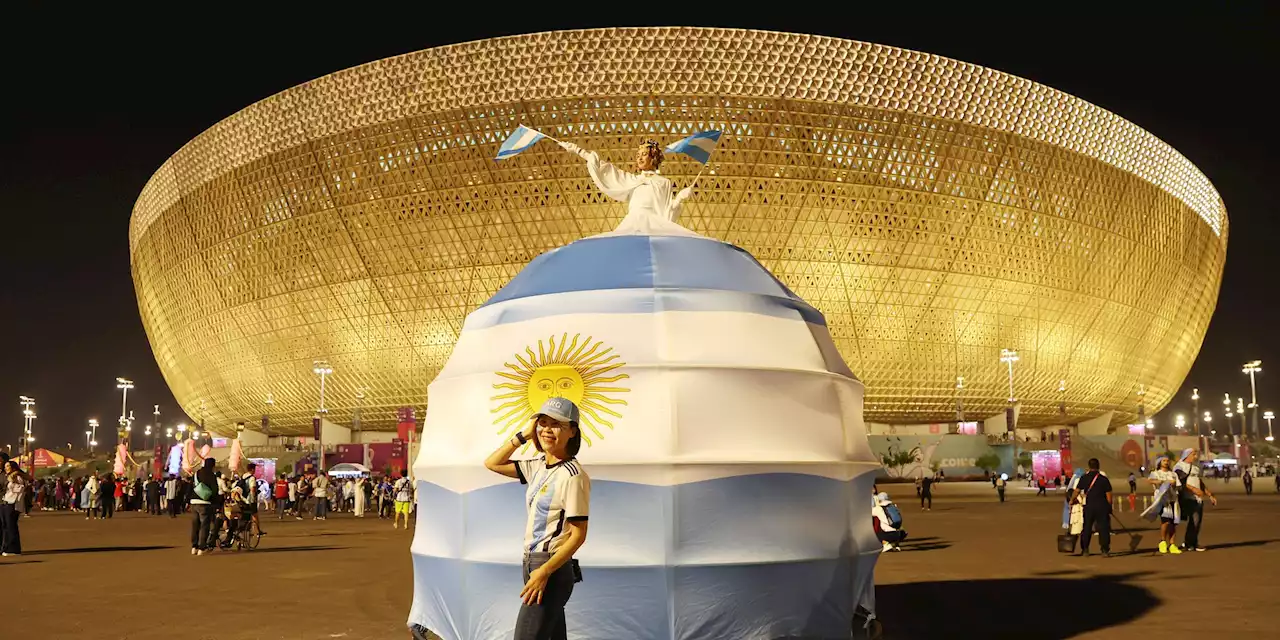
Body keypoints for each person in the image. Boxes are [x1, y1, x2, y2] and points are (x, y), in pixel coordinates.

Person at [483, 397, 590, 640]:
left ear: (572, 431)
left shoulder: (573, 475)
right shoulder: (538, 466)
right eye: (543, 422)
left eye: (557, 424)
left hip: (550, 566)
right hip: (532, 563)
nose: (547, 430)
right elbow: (492, 463)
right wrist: (523, 435)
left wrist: (544, 572)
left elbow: (578, 535)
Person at [557, 140, 696, 235]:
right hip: (632, 224)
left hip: (653, 226)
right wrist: (578, 150)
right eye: (638, 156)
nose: (640, 159)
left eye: (644, 155)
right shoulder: (632, 180)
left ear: (653, 157)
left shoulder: (664, 183)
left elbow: (666, 217)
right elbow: (606, 170)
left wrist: (679, 199)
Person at [1174, 449, 1215, 552]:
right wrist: (1193, 489)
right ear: (1187, 455)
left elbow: (1199, 482)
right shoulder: (1179, 466)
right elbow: (1181, 481)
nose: (1195, 456)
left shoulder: (1195, 468)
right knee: (1194, 520)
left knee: (1196, 521)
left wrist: (1209, 494)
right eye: (1193, 454)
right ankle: (1192, 543)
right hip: (1188, 497)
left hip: (1198, 498)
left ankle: (1189, 543)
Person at [1143, 457, 1182, 554]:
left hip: (1173, 499)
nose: (1166, 462)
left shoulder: (1173, 474)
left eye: (1167, 461)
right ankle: (1163, 541)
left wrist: (1173, 484)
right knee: (1165, 521)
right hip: (1162, 500)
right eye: (1164, 461)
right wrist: (1161, 482)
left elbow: (1178, 486)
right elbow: (1149, 480)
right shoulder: (1156, 473)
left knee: (1173, 523)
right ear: (1159, 463)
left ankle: (1172, 544)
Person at [1077, 458, 1113, 557]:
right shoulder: (1103, 479)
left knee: (1087, 528)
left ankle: (1085, 549)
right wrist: (1109, 506)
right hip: (1102, 506)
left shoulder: (1084, 477)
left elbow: (1077, 490)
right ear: (1098, 466)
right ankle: (1104, 550)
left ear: (1089, 466)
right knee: (1103, 529)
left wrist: (1072, 500)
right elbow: (1109, 495)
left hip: (1089, 506)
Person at [190, 458, 220, 555]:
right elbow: (215, 490)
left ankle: (194, 546)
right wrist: (216, 502)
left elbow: (191, 487)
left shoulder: (196, 473)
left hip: (194, 501)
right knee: (204, 525)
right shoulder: (211, 475)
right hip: (205, 502)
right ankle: (201, 548)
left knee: (195, 525)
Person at [2, 460, 27, 556]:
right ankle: (8, 547)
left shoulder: (17, 477)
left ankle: (14, 549)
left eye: (7, 466)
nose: (5, 468)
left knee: (11, 526)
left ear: (13, 467)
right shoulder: (9, 477)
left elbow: (20, 489)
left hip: (13, 504)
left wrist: (11, 481)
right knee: (7, 526)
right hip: (7, 502)